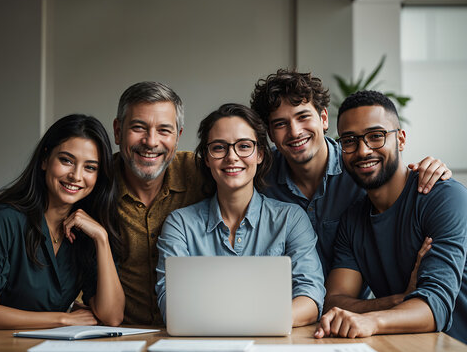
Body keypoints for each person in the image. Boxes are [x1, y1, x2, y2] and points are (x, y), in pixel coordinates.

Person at [250, 69, 452, 278]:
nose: (295, 131)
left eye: (303, 117)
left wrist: (434, 170)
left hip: (359, 306)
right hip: (288, 304)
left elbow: (400, 187)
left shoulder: (361, 167)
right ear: (271, 134)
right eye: (281, 124)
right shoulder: (258, 178)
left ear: (324, 118)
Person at [315, 91, 467, 343]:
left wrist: (370, 319)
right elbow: (335, 300)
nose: (363, 151)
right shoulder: (353, 218)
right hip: (405, 345)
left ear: (401, 140)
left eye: (376, 136)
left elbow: (435, 307)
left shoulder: (443, 197)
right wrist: (399, 300)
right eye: (350, 140)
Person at [156, 103, 325, 326]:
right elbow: (171, 305)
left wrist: (251, 323)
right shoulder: (180, 224)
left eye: (244, 146)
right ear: (206, 158)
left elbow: (310, 298)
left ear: (260, 154)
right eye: (219, 148)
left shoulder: (291, 219)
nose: (232, 157)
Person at [0, 114, 124, 329]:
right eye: (66, 160)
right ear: (44, 159)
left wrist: (102, 238)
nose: (76, 176)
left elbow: (112, 316)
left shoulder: (88, 231)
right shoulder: (5, 218)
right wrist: (63, 319)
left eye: (90, 167)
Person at [113, 81, 204, 324]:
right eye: (139, 127)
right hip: (115, 336)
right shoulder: (93, 181)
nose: (151, 141)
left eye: (164, 130)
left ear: (178, 136)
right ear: (118, 131)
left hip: (191, 334)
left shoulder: (201, 173)